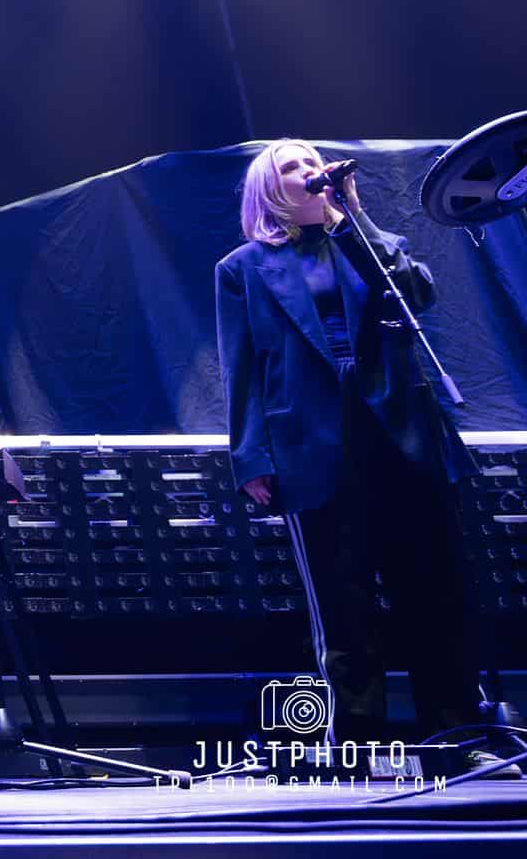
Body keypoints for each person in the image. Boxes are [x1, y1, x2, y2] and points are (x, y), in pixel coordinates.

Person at [215, 140, 511, 777]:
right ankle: (358, 747)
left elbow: (417, 293)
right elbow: (239, 368)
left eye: (312, 161)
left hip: (400, 429)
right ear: (269, 190)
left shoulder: (370, 243)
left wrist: (355, 217)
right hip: (310, 439)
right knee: (343, 605)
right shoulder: (243, 268)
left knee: (434, 594)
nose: (309, 170)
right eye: (292, 166)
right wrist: (251, 457)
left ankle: (456, 737)